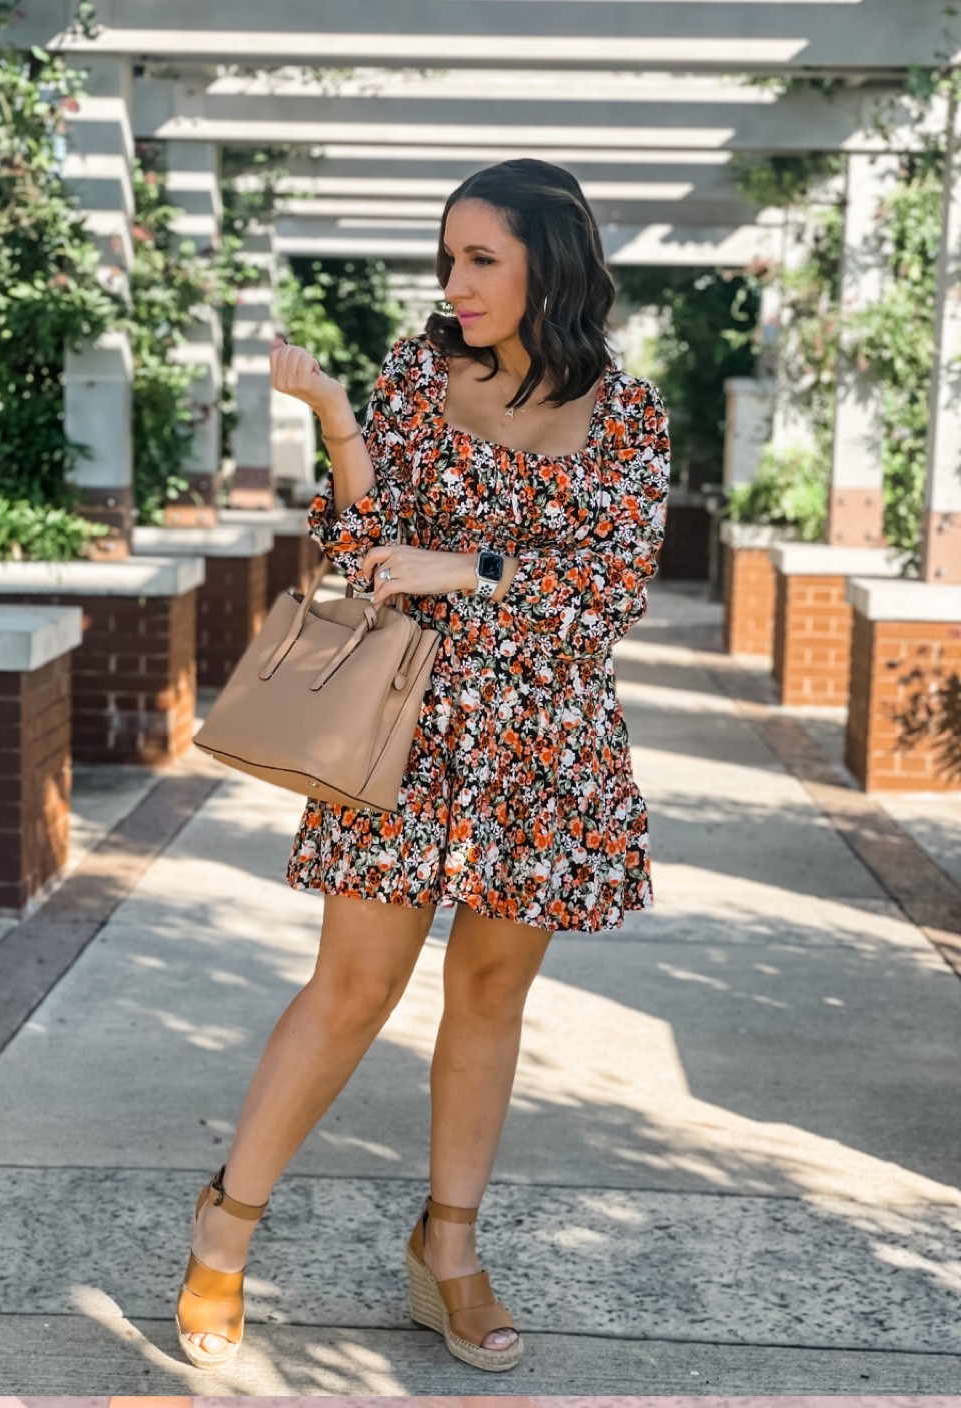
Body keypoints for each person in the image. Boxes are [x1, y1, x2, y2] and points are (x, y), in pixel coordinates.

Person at [175, 157, 671, 1375]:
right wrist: (338, 423)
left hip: (546, 742)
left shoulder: (632, 413)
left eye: (481, 259)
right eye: (447, 257)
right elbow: (360, 554)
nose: (454, 282)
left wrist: (474, 568)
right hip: (405, 728)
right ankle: (223, 1228)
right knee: (352, 988)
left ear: (551, 263)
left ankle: (447, 1251)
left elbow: (611, 593)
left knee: (490, 997)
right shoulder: (414, 374)